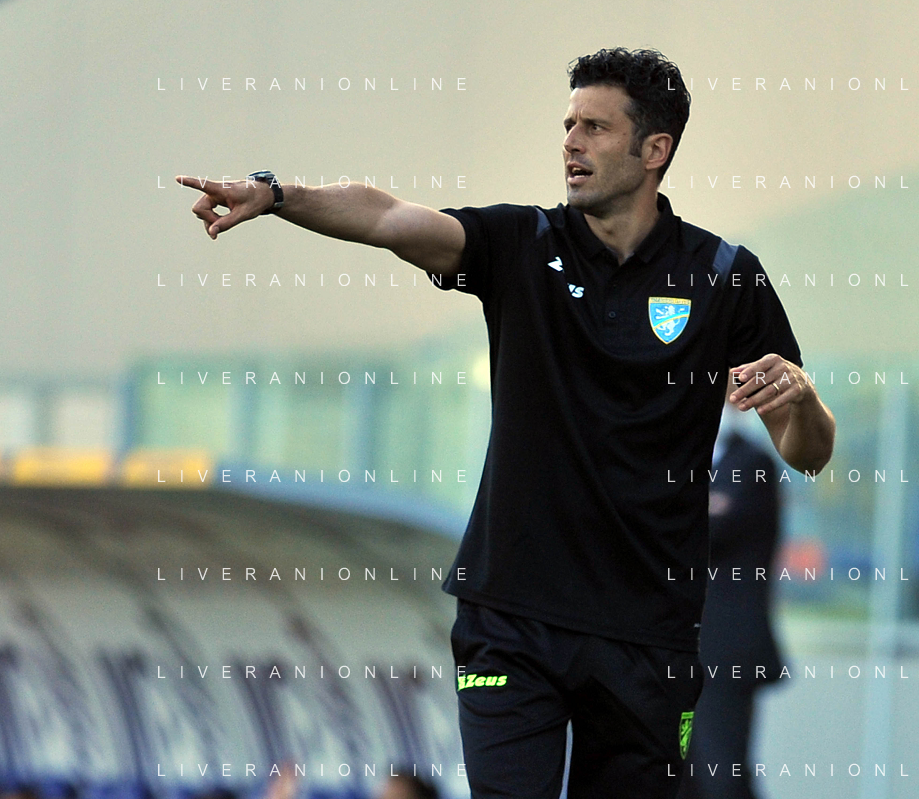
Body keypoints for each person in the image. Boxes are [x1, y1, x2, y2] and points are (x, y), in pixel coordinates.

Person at [178, 47, 834, 799]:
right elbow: (388, 216)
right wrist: (276, 193)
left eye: (595, 127)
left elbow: (808, 454)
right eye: (568, 125)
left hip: (649, 632)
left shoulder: (723, 275)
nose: (571, 142)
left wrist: (802, 401)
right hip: (511, 620)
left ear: (654, 150)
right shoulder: (523, 245)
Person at [678, 387, 788, 799]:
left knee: (720, 770)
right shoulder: (676, 463)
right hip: (677, 646)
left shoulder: (751, 464)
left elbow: (709, 531)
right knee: (682, 773)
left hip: (724, 651)